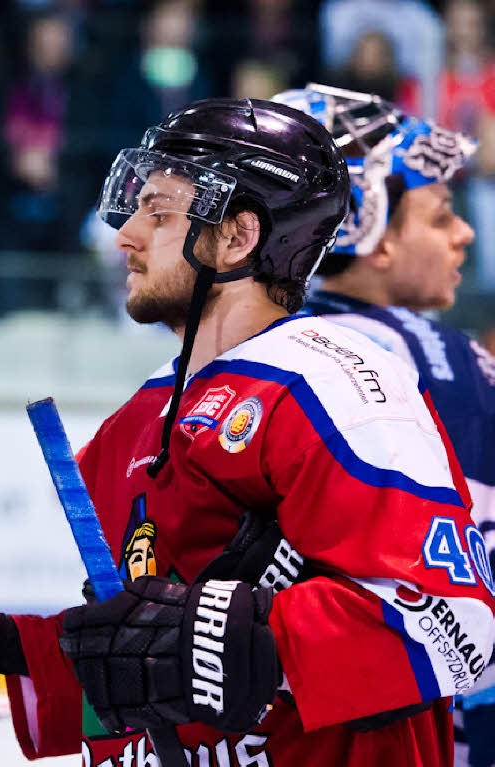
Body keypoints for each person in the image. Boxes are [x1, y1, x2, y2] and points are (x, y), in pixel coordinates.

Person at [0, 98, 495, 767]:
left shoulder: (335, 385)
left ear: (237, 238)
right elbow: (136, 673)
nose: (126, 234)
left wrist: (248, 644)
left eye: (160, 211)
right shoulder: (132, 424)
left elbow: (452, 625)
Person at [276, 83, 495, 767]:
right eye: (441, 216)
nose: (463, 233)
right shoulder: (433, 356)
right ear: (366, 229)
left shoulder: (247, 350)